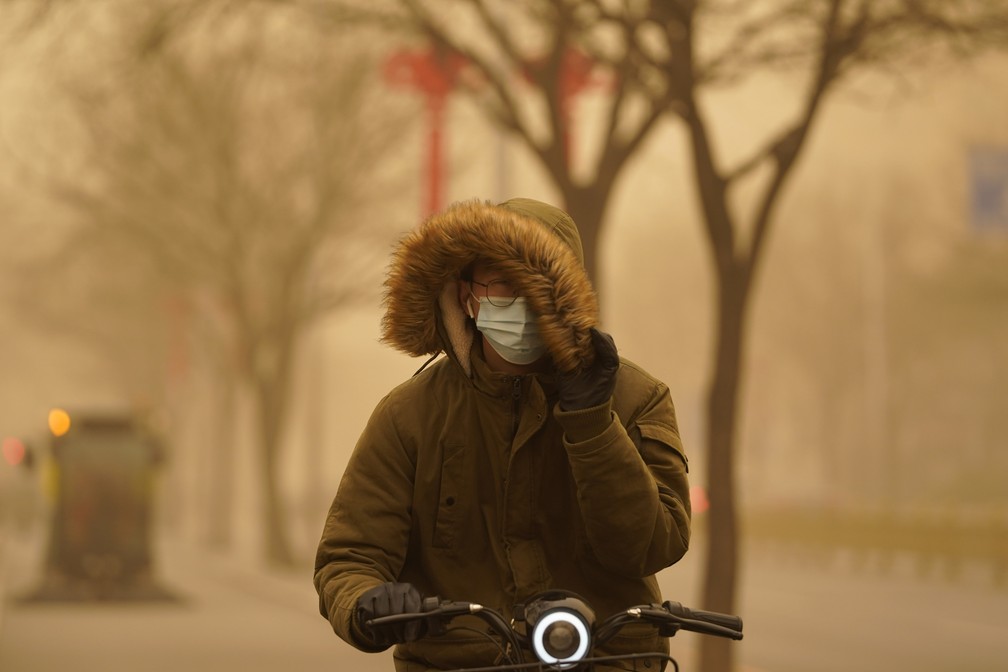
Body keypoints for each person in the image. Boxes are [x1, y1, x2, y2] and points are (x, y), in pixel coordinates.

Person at [314, 197, 691, 671]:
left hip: (608, 660)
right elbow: (350, 555)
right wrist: (369, 605)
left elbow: (655, 544)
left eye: (539, 286)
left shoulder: (635, 398)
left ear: (567, 294)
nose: (523, 304)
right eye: (503, 285)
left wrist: (593, 423)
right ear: (467, 295)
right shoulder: (409, 416)